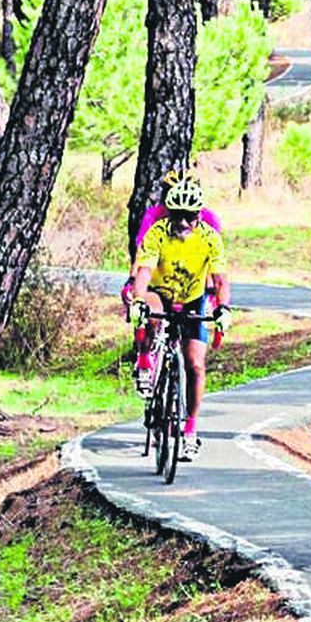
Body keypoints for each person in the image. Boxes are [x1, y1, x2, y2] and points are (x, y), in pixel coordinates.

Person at [123, 173, 232, 463]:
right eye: (177, 216)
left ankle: (190, 430)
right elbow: (143, 272)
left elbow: (220, 280)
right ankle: (146, 359)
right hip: (161, 292)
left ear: (199, 215)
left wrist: (223, 310)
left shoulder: (210, 238)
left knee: (195, 363)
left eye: (190, 217)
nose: (183, 223)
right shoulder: (157, 232)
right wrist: (137, 301)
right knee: (151, 311)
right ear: (169, 213)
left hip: (193, 297)